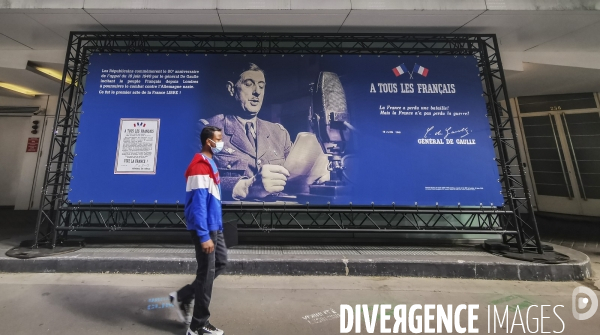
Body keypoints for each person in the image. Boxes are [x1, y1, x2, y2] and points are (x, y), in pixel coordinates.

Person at [200, 63, 293, 201]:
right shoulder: (209, 130)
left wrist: (316, 174)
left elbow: (296, 176)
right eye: (249, 84)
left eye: (261, 86)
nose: (257, 92)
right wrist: (246, 188)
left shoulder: (279, 133)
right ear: (231, 89)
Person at [170, 125, 228, 335]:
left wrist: (217, 227)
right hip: (205, 229)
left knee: (220, 263)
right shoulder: (199, 167)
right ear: (208, 142)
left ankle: (184, 296)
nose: (221, 143)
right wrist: (204, 236)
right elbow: (199, 205)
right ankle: (198, 326)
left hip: (214, 226)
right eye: (218, 139)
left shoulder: (210, 163)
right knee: (206, 274)